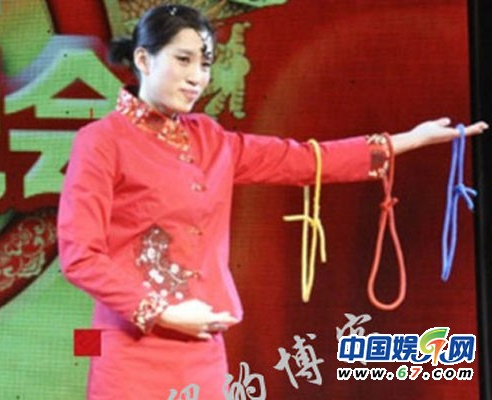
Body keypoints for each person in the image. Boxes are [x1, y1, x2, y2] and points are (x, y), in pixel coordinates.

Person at [57, 4, 488, 399]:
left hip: (203, 348)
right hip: (133, 352)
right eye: (183, 59)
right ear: (143, 59)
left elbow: (303, 159)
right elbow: (80, 255)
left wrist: (407, 140)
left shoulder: (210, 139)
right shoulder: (101, 142)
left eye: (205, 64)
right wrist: (164, 313)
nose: (197, 78)